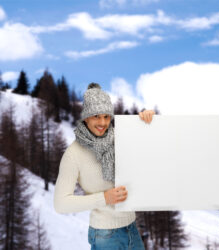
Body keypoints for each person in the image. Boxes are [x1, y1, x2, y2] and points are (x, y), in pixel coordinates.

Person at [54, 83, 155, 250]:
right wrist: (104, 198)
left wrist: (148, 121)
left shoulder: (121, 138)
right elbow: (60, 203)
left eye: (107, 117)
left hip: (131, 228)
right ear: (86, 117)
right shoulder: (74, 154)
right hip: (105, 236)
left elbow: (150, 152)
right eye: (96, 116)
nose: (102, 122)